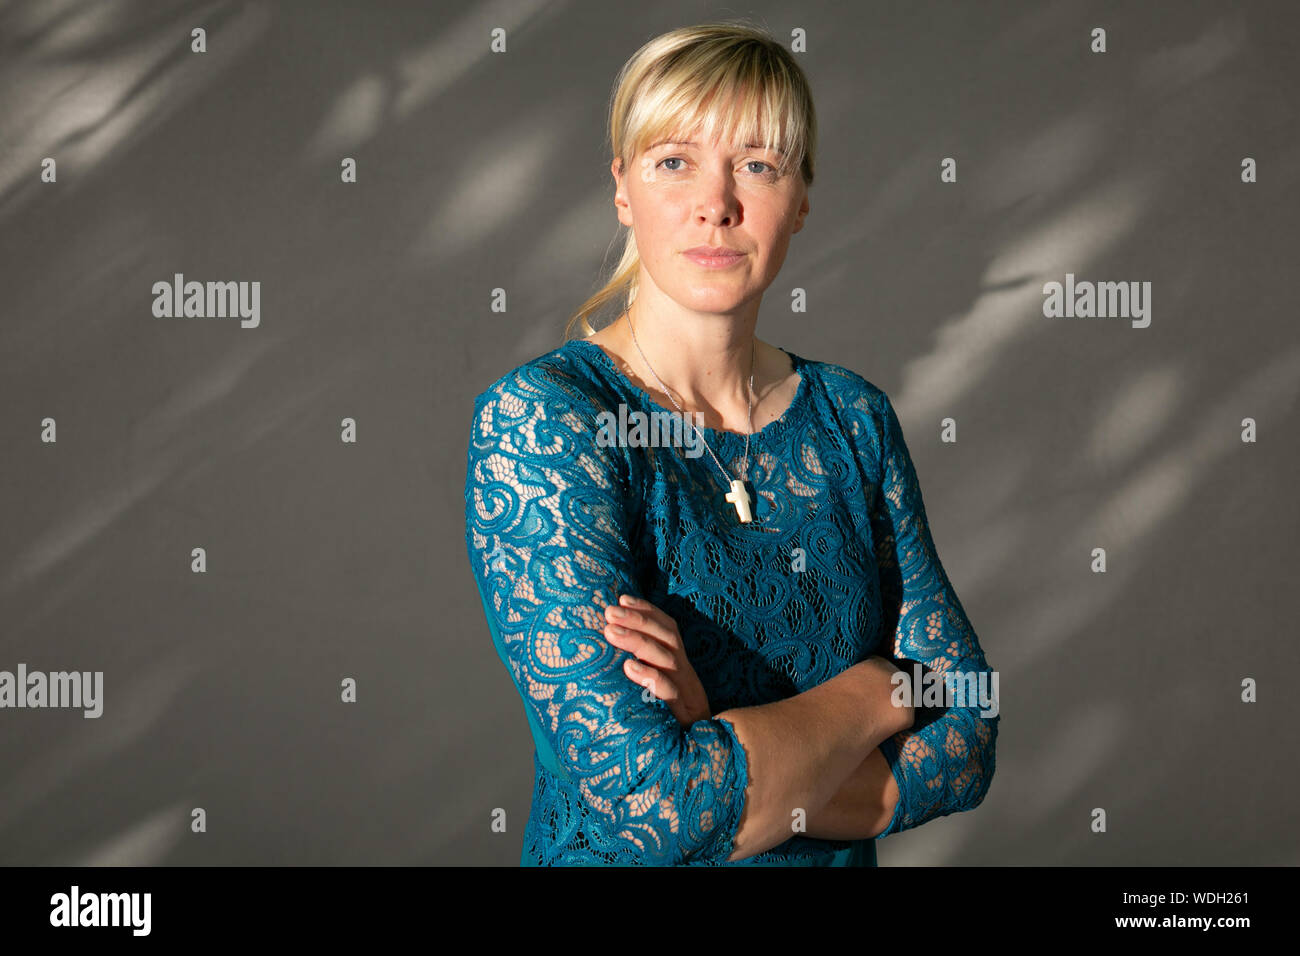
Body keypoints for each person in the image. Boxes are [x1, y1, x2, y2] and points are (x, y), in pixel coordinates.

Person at [463, 20, 998, 866]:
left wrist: (716, 738)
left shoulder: (853, 419)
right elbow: (658, 806)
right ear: (622, 190)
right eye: (675, 161)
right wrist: (877, 692)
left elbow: (970, 726)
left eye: (758, 164)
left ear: (803, 196)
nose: (717, 201)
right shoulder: (546, 420)